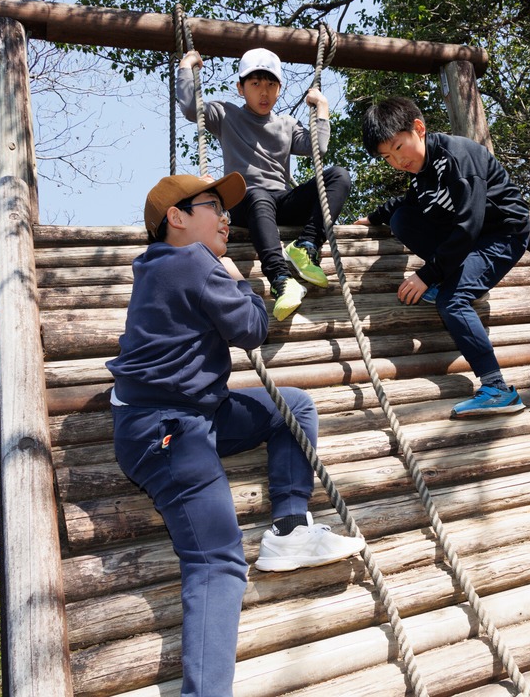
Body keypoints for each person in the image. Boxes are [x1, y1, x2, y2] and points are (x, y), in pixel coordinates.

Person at [107, 173, 365, 697]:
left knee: (291, 405)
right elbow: (252, 328)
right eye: (212, 207)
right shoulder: (195, 262)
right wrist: (238, 280)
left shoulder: (158, 265)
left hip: (194, 413)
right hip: (167, 429)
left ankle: (290, 528)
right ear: (175, 218)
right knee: (216, 561)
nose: (226, 217)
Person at [354, 97, 530, 419]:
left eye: (398, 147)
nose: (397, 160)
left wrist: (428, 274)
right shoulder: (420, 174)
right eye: (387, 157)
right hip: (470, 239)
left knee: (450, 301)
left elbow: (469, 226)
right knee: (402, 219)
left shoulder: (457, 157)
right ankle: (462, 277)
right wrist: (373, 217)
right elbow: (404, 204)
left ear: (418, 129)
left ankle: (498, 389)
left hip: (502, 236)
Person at [177, 46, 351, 321]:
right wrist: (186, 65)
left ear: (279, 89)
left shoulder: (287, 124)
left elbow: (318, 147)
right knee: (257, 195)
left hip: (280, 201)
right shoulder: (226, 114)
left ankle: (306, 246)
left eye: (271, 84)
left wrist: (323, 107)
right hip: (243, 202)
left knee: (338, 175)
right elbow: (190, 108)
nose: (264, 92)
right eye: (255, 84)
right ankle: (280, 278)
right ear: (240, 88)